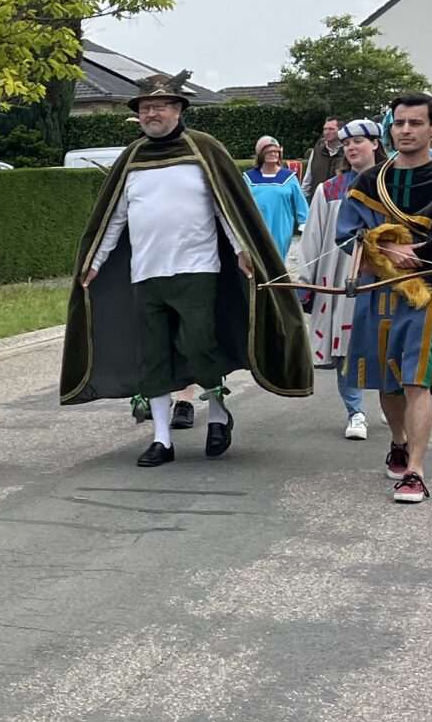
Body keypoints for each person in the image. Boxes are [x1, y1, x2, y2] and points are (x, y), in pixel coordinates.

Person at [61, 72, 313, 465]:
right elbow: (114, 216)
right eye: (146, 108)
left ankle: (218, 413)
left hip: (197, 269)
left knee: (199, 346)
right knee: (153, 356)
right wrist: (94, 260)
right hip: (146, 273)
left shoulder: (204, 150)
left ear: (178, 109)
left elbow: (226, 207)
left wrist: (242, 248)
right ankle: (161, 439)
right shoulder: (132, 158)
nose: (152, 114)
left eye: (160, 106)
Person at [337, 94, 432, 505]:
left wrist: (414, 256)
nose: (405, 130)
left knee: (417, 380)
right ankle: (398, 441)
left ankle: (415, 470)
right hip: (378, 292)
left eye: (415, 123)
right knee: (389, 380)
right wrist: (383, 246)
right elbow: (347, 235)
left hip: (424, 293)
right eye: (399, 123)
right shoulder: (368, 181)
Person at [291, 118, 385, 438]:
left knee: (386, 344)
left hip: (384, 277)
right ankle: (355, 412)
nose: (351, 148)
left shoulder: (393, 184)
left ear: (375, 144)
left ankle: (391, 402)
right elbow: (313, 239)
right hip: (339, 277)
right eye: (346, 144)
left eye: (358, 141)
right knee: (346, 347)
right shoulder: (329, 189)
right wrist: (306, 282)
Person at [245, 135, 311, 257]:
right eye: (269, 151)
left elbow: (300, 202)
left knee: (277, 259)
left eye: (276, 151)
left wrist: (304, 222)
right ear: (260, 154)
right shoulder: (248, 178)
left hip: (281, 228)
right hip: (255, 227)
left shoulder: (289, 177)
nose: (273, 154)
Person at [300, 117, 346, 191]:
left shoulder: (347, 153)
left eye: (331, 129)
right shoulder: (317, 151)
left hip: (338, 196)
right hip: (316, 196)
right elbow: (308, 179)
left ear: (340, 131)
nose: (327, 132)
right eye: (325, 129)